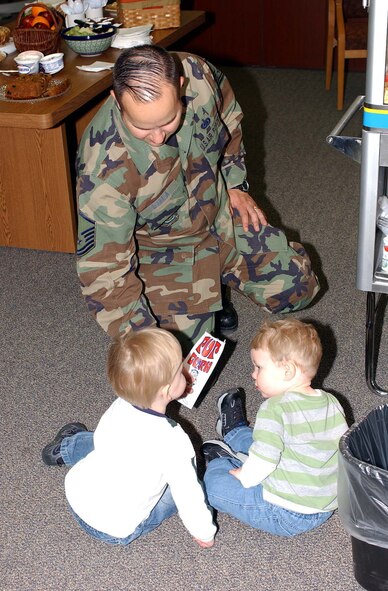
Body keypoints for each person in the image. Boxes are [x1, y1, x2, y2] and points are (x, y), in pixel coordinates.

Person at [76, 45, 319, 352]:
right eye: (142, 126)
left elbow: (229, 118)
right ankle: (204, 298)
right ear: (116, 100)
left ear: (180, 87)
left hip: (219, 217)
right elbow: (104, 271)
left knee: (298, 286)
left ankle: (217, 285)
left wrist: (235, 184)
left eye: (168, 120)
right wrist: (143, 340)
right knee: (176, 353)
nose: (158, 137)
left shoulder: (197, 73)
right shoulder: (103, 167)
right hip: (165, 251)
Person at [41, 327, 216, 548]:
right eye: (182, 369)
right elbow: (188, 496)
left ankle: (65, 449)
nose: (188, 370)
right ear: (166, 390)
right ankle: (68, 448)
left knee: (101, 443)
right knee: (190, 481)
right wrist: (205, 534)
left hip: (76, 496)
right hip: (114, 529)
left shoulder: (120, 404)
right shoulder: (174, 441)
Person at [201, 318, 348, 537]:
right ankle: (234, 432)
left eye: (259, 367)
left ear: (287, 371)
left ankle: (227, 458)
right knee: (269, 438)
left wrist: (245, 477)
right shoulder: (330, 401)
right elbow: (344, 448)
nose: (253, 374)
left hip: (284, 513)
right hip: (325, 505)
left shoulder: (274, 408)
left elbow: (267, 457)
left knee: (213, 483)